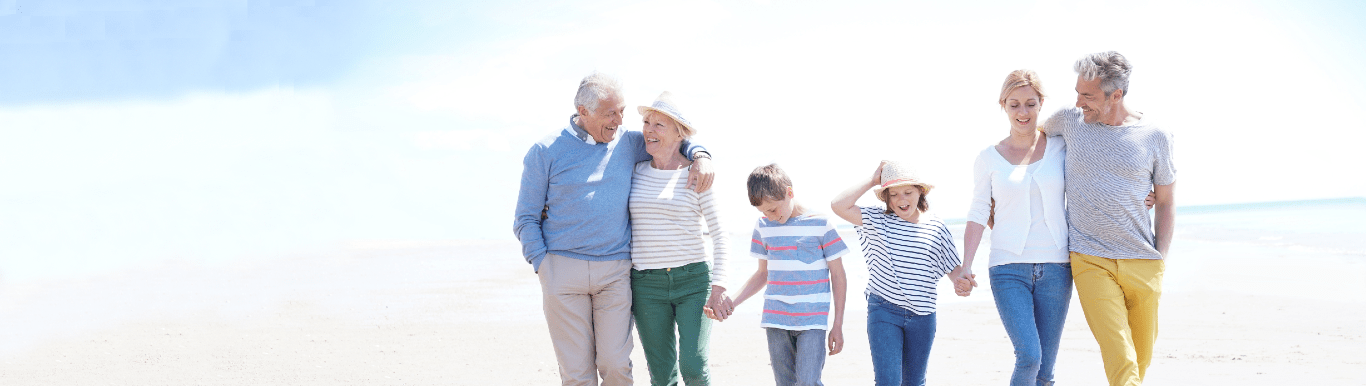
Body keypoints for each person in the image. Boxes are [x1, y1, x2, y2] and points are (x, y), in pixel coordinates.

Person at [513, 73, 715, 386]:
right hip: (562, 271)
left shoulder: (626, 141)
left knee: (617, 365)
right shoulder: (545, 151)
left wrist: (701, 154)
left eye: (621, 111)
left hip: (616, 272)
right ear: (583, 112)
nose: (620, 121)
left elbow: (674, 139)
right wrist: (543, 264)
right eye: (611, 113)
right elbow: (525, 218)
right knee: (577, 374)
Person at [1039, 51, 1176, 386]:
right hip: (1090, 259)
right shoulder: (1069, 121)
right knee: (1121, 357)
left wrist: (1161, 260)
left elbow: (1168, 202)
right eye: (1077, 92)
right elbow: (1028, 145)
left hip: (1144, 262)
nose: (1078, 102)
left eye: (1088, 96)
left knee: (1139, 362)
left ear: (1117, 95)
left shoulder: (1155, 137)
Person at [948, 69, 1073, 386]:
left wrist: (1141, 194)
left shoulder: (1061, 148)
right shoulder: (988, 158)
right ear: (1003, 105)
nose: (1023, 112)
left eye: (1030, 104)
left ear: (1041, 103)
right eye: (1014, 104)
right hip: (1007, 267)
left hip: (1058, 266)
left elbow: (1090, 186)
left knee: (1045, 371)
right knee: (1030, 356)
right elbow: (978, 212)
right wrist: (965, 266)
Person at [627, 91, 732, 386]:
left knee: (694, 366)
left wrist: (720, 286)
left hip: (693, 281)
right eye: (646, 122)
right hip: (646, 284)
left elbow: (721, 235)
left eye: (659, 124)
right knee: (661, 374)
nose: (648, 129)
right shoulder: (633, 171)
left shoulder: (698, 175)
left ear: (679, 134)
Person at [831, 160, 962, 386]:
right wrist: (873, 181)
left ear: (920, 192)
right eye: (894, 194)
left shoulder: (936, 226)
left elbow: (953, 267)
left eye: (908, 192)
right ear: (886, 198)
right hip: (884, 311)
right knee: (887, 382)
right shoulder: (877, 220)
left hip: (923, 315)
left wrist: (962, 281)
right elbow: (838, 205)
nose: (902, 199)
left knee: (914, 382)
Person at [731, 164, 849, 386]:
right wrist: (733, 302)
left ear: (790, 193)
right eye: (763, 211)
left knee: (807, 381)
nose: (770, 216)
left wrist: (838, 324)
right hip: (776, 319)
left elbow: (839, 276)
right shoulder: (763, 225)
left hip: (812, 320)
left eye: (774, 209)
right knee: (785, 383)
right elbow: (762, 274)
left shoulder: (821, 224)